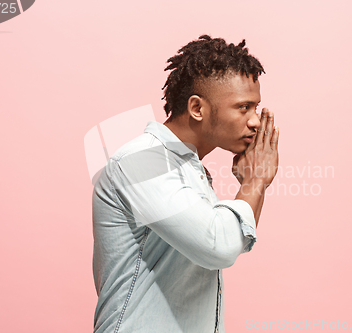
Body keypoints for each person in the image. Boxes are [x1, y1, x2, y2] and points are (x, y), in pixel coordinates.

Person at [92, 35, 279, 333]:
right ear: (196, 108)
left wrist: (251, 182)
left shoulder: (190, 170)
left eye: (256, 108)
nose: (255, 121)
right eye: (243, 107)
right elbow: (217, 246)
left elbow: (225, 240)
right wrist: (256, 180)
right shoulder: (142, 161)